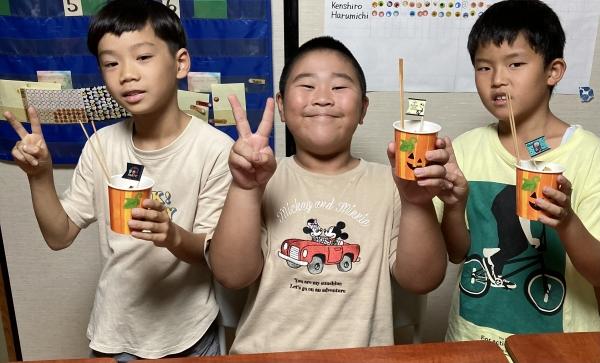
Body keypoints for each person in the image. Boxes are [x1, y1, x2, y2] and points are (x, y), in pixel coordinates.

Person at [5, 0, 233, 360]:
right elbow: (59, 234)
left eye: (143, 57)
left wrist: (171, 234)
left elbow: (214, 255)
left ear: (180, 63)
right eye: (111, 63)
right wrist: (40, 176)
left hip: (188, 336)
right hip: (113, 335)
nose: (126, 74)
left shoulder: (216, 150)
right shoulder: (101, 144)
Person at [209, 36, 451, 354]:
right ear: (281, 105)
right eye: (307, 86)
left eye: (339, 87)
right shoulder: (261, 177)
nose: (323, 98)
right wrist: (245, 188)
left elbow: (423, 281)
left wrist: (417, 202)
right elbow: (231, 275)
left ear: (363, 108)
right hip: (265, 353)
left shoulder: (393, 185)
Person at [437, 0, 600, 354]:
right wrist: (454, 207)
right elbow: (456, 253)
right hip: (471, 341)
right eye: (484, 67)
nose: (498, 80)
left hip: (562, 347)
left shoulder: (589, 155)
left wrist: (567, 221)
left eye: (515, 64)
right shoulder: (465, 149)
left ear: (553, 71)